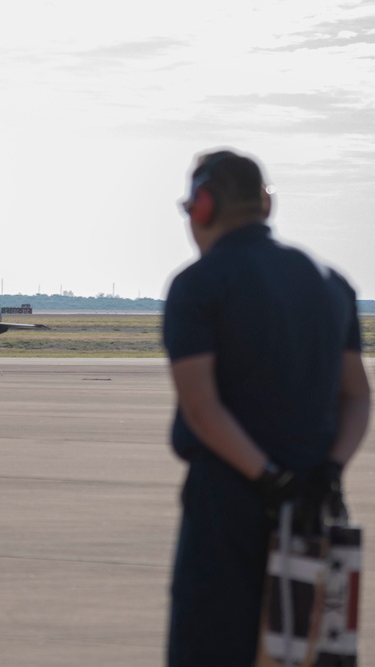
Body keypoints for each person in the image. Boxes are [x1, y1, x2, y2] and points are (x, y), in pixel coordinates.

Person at [162, 148, 370, 666]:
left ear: (203, 207)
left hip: (228, 507)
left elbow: (204, 408)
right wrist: (326, 472)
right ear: (266, 204)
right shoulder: (333, 283)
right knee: (310, 647)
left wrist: (269, 477)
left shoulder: (198, 286)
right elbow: (358, 397)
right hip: (315, 505)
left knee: (212, 649)